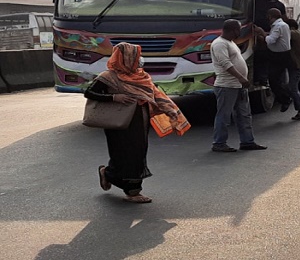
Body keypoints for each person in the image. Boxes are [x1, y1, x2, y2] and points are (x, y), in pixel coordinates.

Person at [85, 42, 190, 203]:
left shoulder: (142, 76)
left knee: (137, 153)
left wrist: (172, 112)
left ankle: (114, 178)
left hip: (139, 120)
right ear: (124, 59)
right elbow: (89, 93)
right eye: (134, 57)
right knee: (121, 154)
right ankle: (130, 189)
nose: (138, 60)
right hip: (117, 123)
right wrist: (114, 97)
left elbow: (157, 95)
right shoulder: (108, 77)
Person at [211, 19, 267, 152]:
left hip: (238, 85)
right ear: (233, 30)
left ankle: (247, 141)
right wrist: (242, 78)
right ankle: (219, 143)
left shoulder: (230, 43)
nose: (240, 32)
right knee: (224, 115)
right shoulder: (219, 44)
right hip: (227, 85)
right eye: (238, 30)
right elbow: (226, 64)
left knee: (244, 114)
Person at [254, 8, 293, 112]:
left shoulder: (278, 26)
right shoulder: (283, 25)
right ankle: (286, 97)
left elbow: (271, 40)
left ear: (270, 16)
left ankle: (286, 98)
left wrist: (262, 33)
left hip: (278, 56)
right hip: (282, 55)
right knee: (277, 79)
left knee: (273, 80)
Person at [253, 0, 287, 84]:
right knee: (261, 56)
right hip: (258, 35)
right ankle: (262, 77)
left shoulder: (279, 5)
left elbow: (285, 20)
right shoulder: (256, 2)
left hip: (271, 35)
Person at [287, 19, 300, 121]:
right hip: (296, 65)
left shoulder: (294, 33)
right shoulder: (299, 34)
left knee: (292, 87)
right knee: (291, 86)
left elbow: (284, 33)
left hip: (298, 65)